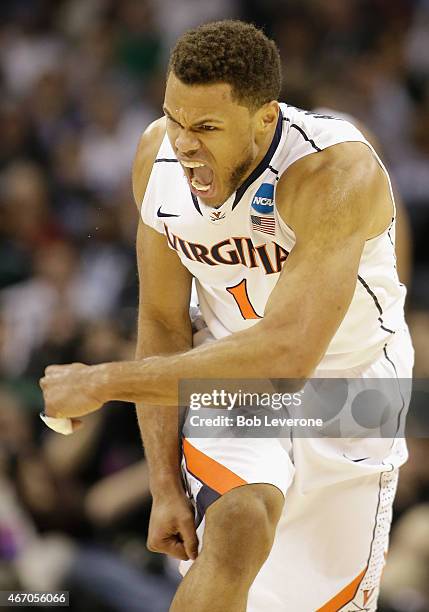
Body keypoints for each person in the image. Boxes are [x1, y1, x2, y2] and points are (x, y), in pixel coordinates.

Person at [40, 20, 414, 612]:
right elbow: (164, 322)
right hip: (228, 380)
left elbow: (288, 355)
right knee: (237, 529)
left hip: (351, 391)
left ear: (265, 118)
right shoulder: (157, 159)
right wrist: (164, 484)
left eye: (206, 127)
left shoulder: (334, 172)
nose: (184, 143)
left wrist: (98, 381)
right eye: (175, 118)